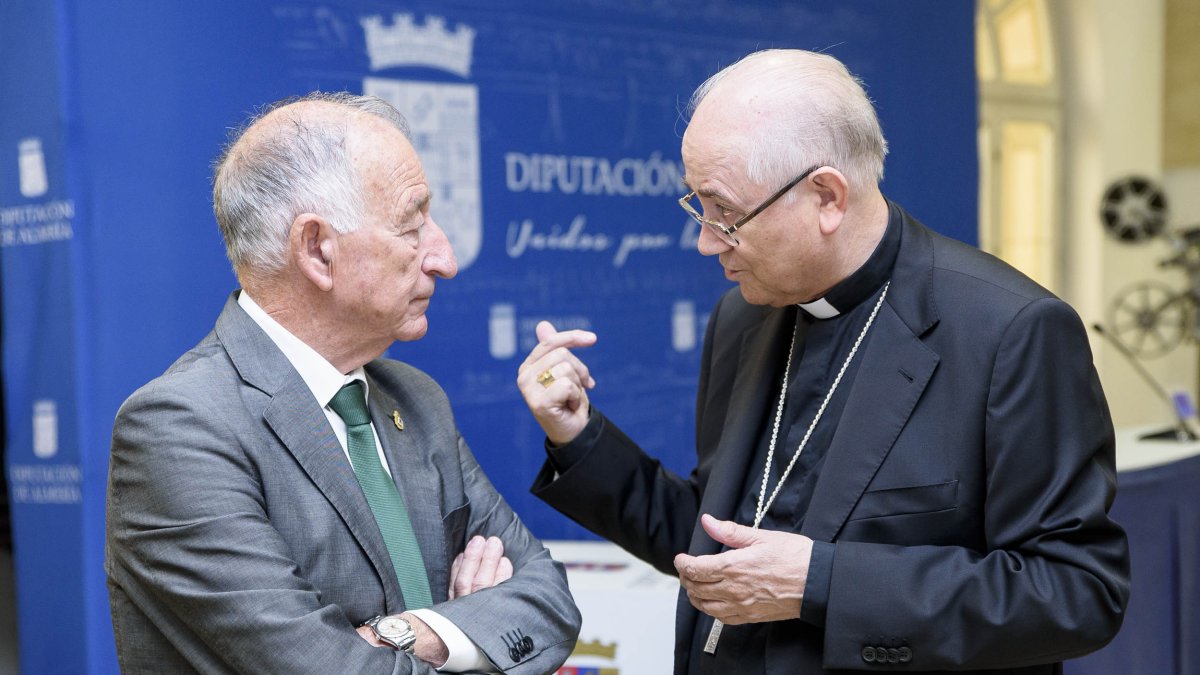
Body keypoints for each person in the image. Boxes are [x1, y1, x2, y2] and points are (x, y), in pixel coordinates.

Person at [519, 49, 1130, 674]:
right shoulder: (742, 318)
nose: (705, 240)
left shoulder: (1010, 331)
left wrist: (823, 583)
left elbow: (1076, 591)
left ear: (827, 197)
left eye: (724, 213)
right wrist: (577, 435)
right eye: (698, 206)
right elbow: (714, 538)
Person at [106, 92, 580, 674]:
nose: (444, 258)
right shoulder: (180, 429)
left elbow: (549, 599)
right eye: (412, 226)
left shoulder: (416, 399)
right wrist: (472, 629)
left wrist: (411, 633)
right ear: (317, 250)